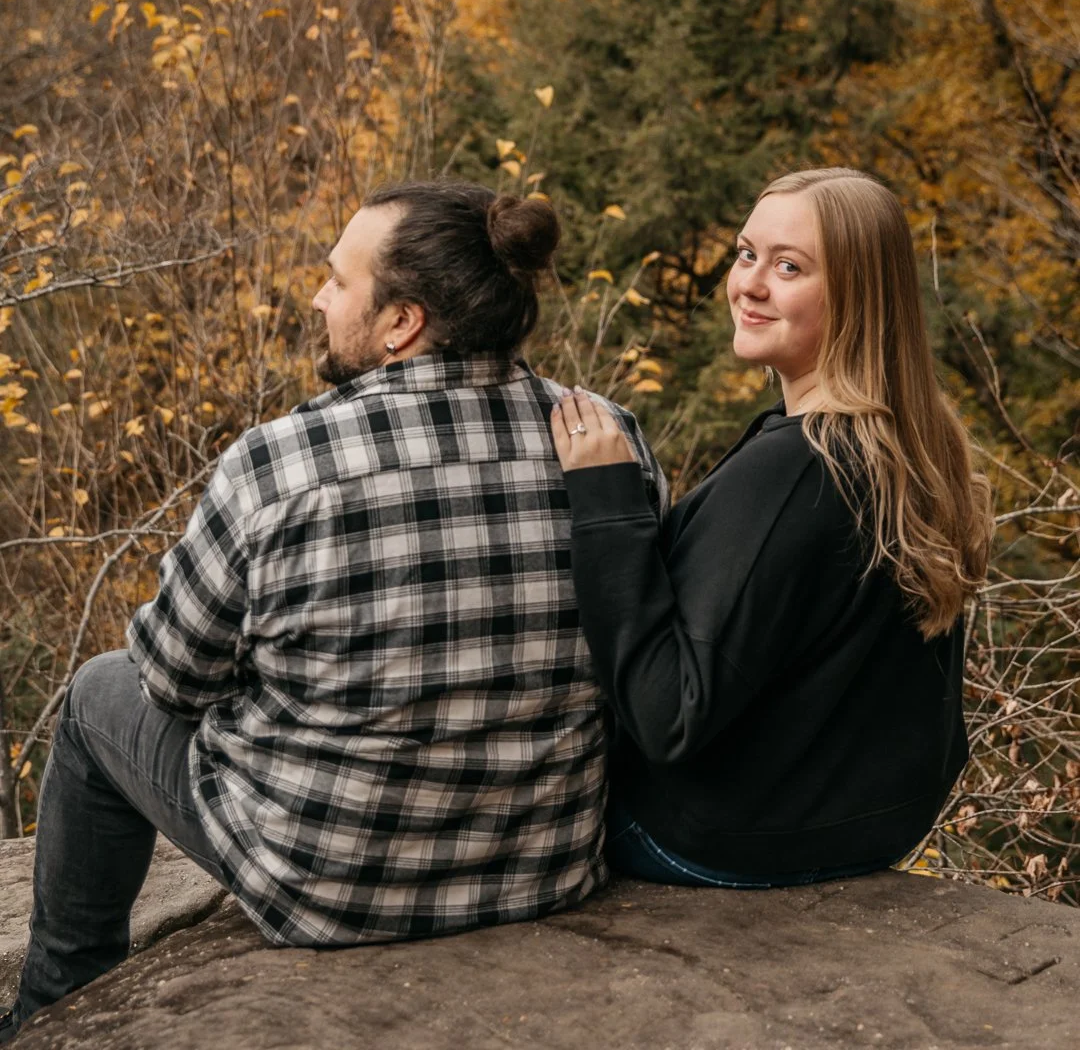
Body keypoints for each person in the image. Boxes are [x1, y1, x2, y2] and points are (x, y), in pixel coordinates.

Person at [1, 181, 664, 1043]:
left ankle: (51, 1009)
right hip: (541, 870)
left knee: (98, 693)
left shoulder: (281, 463)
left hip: (328, 888)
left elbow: (168, 676)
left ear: (402, 323)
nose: (318, 296)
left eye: (338, 280)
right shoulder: (607, 438)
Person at [551, 167, 993, 888]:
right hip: (865, 833)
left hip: (717, 841)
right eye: (745, 253)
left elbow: (668, 716)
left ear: (859, 297)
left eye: (789, 267)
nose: (749, 284)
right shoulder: (910, 443)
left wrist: (608, 507)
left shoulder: (795, 468)